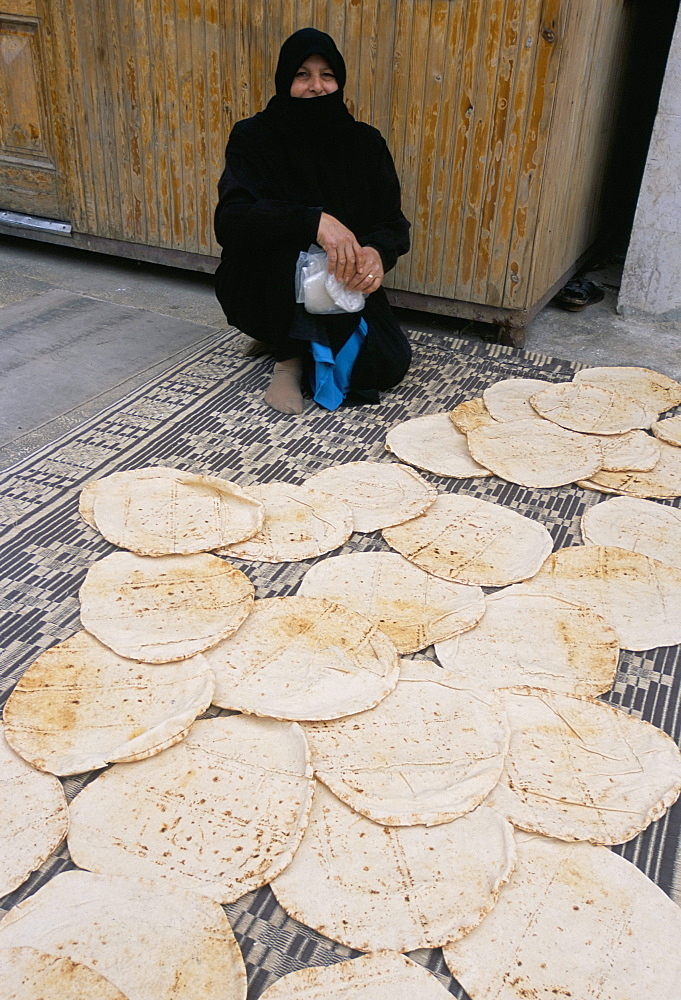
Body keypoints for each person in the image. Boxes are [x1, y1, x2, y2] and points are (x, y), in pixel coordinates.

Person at [214, 27, 412, 414]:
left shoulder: (365, 144)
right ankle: (287, 359)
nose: (316, 86)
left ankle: (295, 339)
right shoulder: (254, 137)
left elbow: (392, 222)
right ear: (285, 79)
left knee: (386, 365)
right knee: (290, 244)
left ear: (339, 81)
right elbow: (232, 220)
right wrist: (314, 222)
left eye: (327, 75)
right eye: (302, 75)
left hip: (337, 280)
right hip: (266, 279)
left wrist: (376, 252)